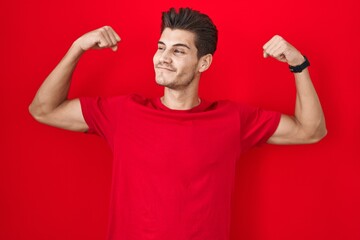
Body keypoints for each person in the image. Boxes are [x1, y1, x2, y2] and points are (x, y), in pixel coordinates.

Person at [29, 7, 327, 240]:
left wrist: (297, 63)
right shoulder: (122, 112)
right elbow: (43, 110)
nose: (163, 58)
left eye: (178, 50)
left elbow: (311, 130)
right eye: (161, 47)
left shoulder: (232, 119)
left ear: (204, 63)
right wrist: (77, 47)